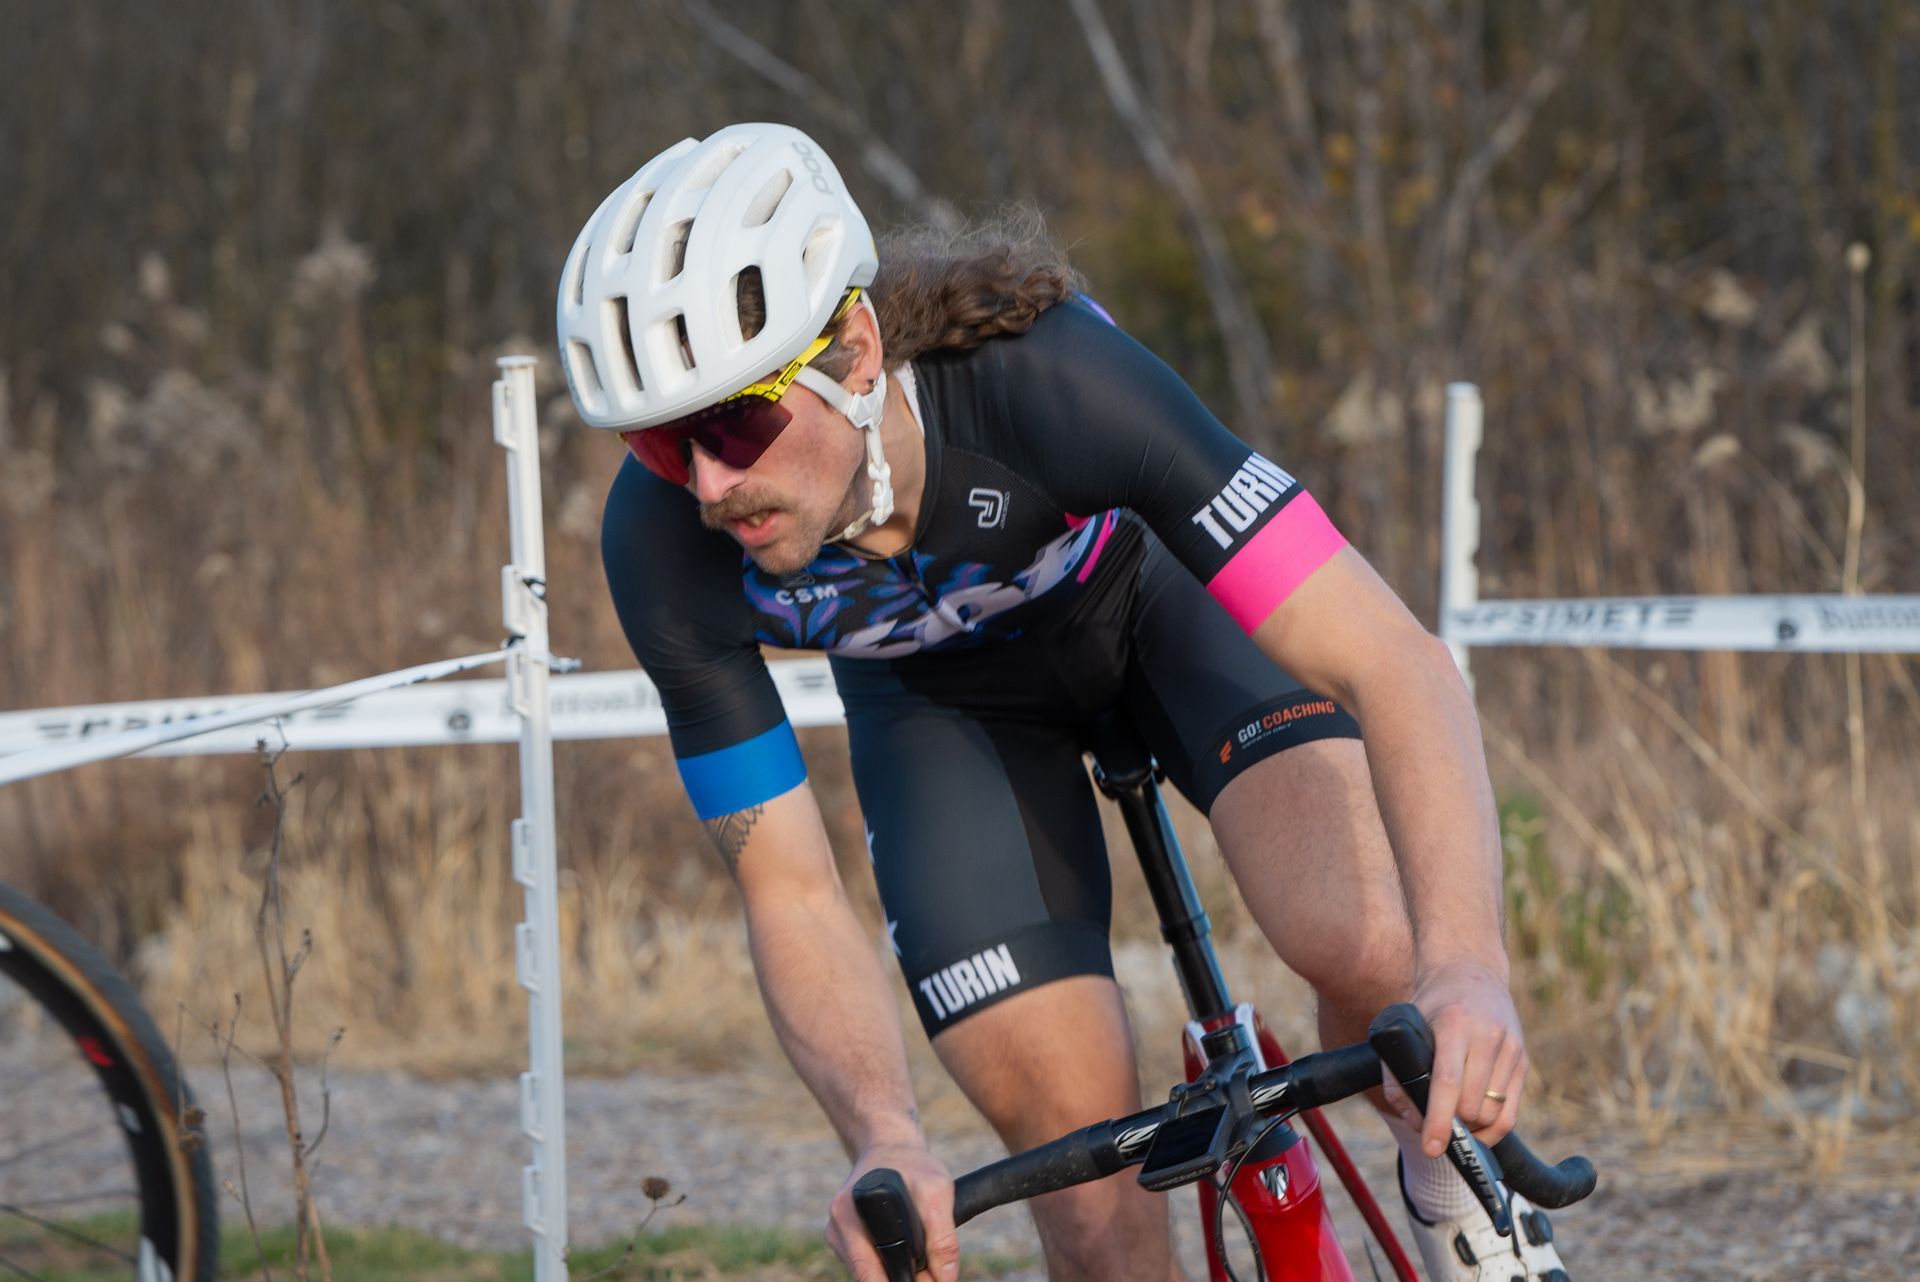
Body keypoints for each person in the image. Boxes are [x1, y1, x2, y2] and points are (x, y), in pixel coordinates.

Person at [559, 122, 1571, 1282]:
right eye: (658, 443)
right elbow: (786, 885)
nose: (709, 483)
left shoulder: (1045, 380)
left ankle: (1457, 1207)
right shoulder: (659, 549)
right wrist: (883, 1137)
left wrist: (1468, 964)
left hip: (1151, 605)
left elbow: (1399, 662)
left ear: (852, 349)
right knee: (1083, 1195)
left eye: (735, 422)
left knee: (1366, 940)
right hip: (941, 707)